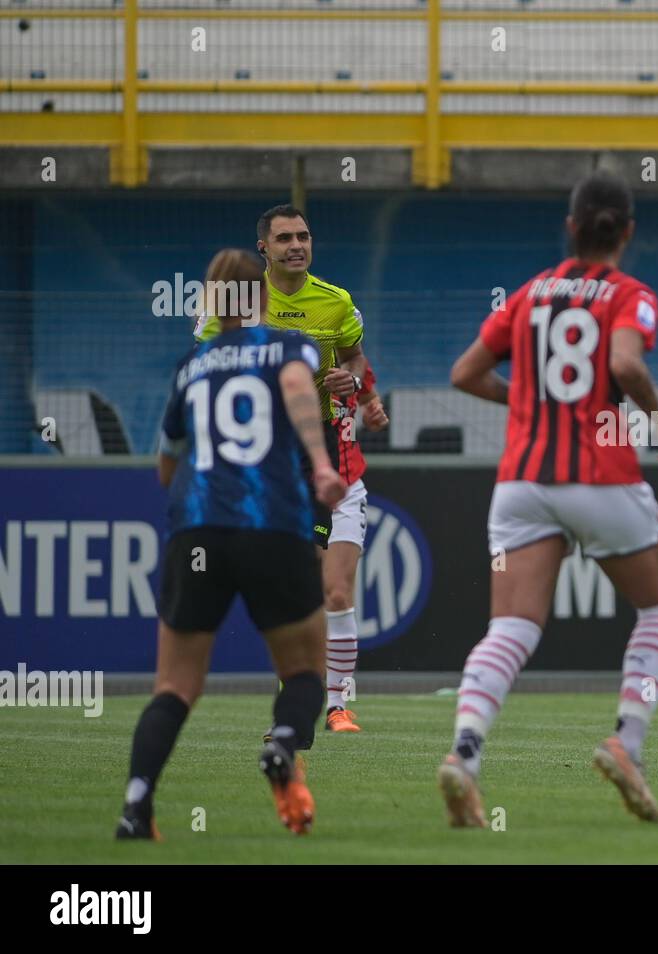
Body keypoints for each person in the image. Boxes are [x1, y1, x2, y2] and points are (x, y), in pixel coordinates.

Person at [440, 171, 658, 826]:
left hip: (520, 483)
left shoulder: (528, 295)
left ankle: (465, 754)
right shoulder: (628, 294)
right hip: (599, 476)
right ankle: (626, 742)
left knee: (512, 627)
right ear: (627, 232)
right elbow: (628, 367)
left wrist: (522, 399)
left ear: (571, 227)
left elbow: (464, 373)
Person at [116, 250, 346, 840]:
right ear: (264, 296)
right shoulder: (289, 347)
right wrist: (320, 464)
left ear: (212, 303)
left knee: (174, 687)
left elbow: (165, 468)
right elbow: (297, 386)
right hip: (272, 526)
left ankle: (136, 806)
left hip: (197, 534)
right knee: (303, 674)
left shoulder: (190, 366)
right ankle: (285, 746)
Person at [195, 204, 371, 740]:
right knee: (298, 590)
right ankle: (296, 693)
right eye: (285, 237)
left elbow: (357, 362)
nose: (298, 244)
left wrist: (352, 383)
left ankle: (337, 705)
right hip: (270, 463)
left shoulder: (336, 301)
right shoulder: (239, 305)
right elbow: (209, 365)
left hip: (330, 460)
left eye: (304, 235)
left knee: (335, 592)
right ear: (264, 249)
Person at [321, 361, 389, 732]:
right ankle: (294, 702)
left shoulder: (354, 364)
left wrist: (374, 411)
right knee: (302, 600)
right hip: (300, 487)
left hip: (347, 490)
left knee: (337, 594)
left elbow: (370, 402)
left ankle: (337, 706)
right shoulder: (292, 357)